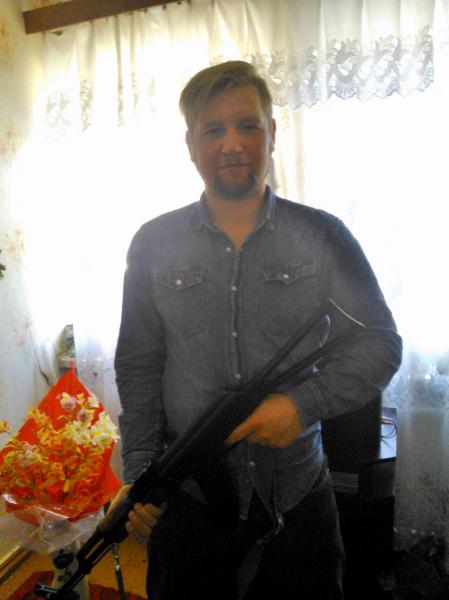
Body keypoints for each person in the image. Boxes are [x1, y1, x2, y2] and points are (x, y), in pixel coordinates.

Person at [113, 60, 402, 600]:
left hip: (296, 497)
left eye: (247, 125)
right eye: (213, 130)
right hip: (190, 500)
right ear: (190, 144)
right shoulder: (152, 242)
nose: (231, 143)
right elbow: (138, 365)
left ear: (271, 132)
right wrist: (141, 475)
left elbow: (380, 343)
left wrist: (300, 404)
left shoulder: (323, 236)